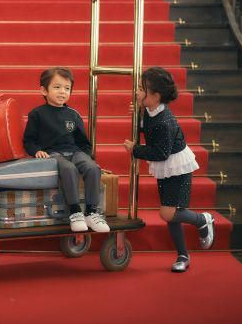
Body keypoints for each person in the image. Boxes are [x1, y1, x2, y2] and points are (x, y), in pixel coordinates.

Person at [123, 67, 214, 272]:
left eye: (141, 89)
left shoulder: (165, 122)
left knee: (168, 213)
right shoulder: (151, 110)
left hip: (178, 168)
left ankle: (202, 219)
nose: (136, 92)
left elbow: (161, 152)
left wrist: (135, 149)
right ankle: (182, 255)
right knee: (172, 213)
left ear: (155, 96)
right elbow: (148, 128)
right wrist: (138, 116)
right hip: (167, 168)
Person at [23, 67, 110, 233]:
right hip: (52, 153)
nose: (62, 91)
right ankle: (75, 212)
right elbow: (29, 140)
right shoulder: (37, 114)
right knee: (69, 169)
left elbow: (83, 142)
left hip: (74, 151)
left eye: (67, 88)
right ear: (44, 90)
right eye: (57, 87)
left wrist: (87, 158)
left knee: (92, 168)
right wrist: (36, 151)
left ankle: (91, 212)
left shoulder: (73, 114)